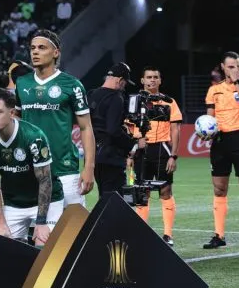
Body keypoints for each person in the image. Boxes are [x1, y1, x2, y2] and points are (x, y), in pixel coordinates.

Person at [14, 30, 96, 208]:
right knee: (37, 232)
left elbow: (86, 127)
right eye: (33, 48)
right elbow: (16, 123)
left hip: (65, 170)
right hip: (29, 170)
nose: (35, 52)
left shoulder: (72, 85)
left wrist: (89, 167)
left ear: (56, 53)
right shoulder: (22, 83)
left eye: (42, 48)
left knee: (72, 230)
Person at [0, 89, 63, 246]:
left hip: (47, 201)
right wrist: (1, 221)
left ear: (11, 113)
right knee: (2, 248)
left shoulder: (33, 136)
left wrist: (41, 222)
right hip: (14, 203)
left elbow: (45, 180)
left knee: (43, 245)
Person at [204, 51, 239, 251]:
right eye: (229, 66)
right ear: (222, 67)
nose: (233, 69)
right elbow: (209, 118)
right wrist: (205, 132)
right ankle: (219, 235)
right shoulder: (214, 90)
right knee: (219, 188)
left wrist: (237, 83)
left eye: (236, 66)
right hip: (219, 140)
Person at [130, 66, 183, 246]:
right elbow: (128, 129)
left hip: (162, 149)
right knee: (141, 192)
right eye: (148, 77)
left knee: (165, 191)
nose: (152, 80)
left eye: (155, 77)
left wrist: (173, 156)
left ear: (160, 81)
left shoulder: (169, 102)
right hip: (140, 150)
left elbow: (176, 129)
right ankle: (142, 233)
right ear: (142, 80)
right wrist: (131, 150)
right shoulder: (134, 102)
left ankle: (168, 235)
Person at [86, 63, 139, 196]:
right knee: (115, 202)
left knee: (104, 197)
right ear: (120, 80)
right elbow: (113, 130)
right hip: (111, 157)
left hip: (94, 157)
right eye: (125, 83)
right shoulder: (116, 97)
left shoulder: (91, 94)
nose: (124, 86)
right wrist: (132, 144)